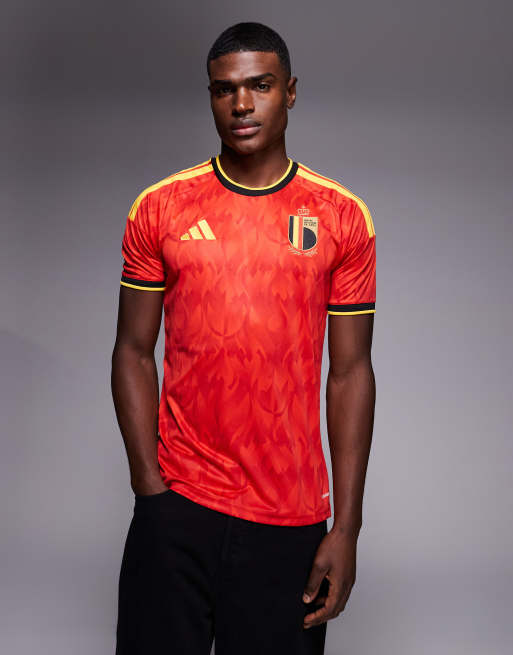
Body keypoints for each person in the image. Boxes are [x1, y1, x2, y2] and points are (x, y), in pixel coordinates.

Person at [111, 21, 376, 655]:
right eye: (224, 89)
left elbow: (350, 374)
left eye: (260, 85)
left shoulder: (341, 216)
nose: (241, 104)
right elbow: (132, 351)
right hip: (178, 506)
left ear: (291, 92)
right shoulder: (160, 208)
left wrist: (347, 528)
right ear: (211, 96)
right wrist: (149, 489)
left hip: (289, 518)